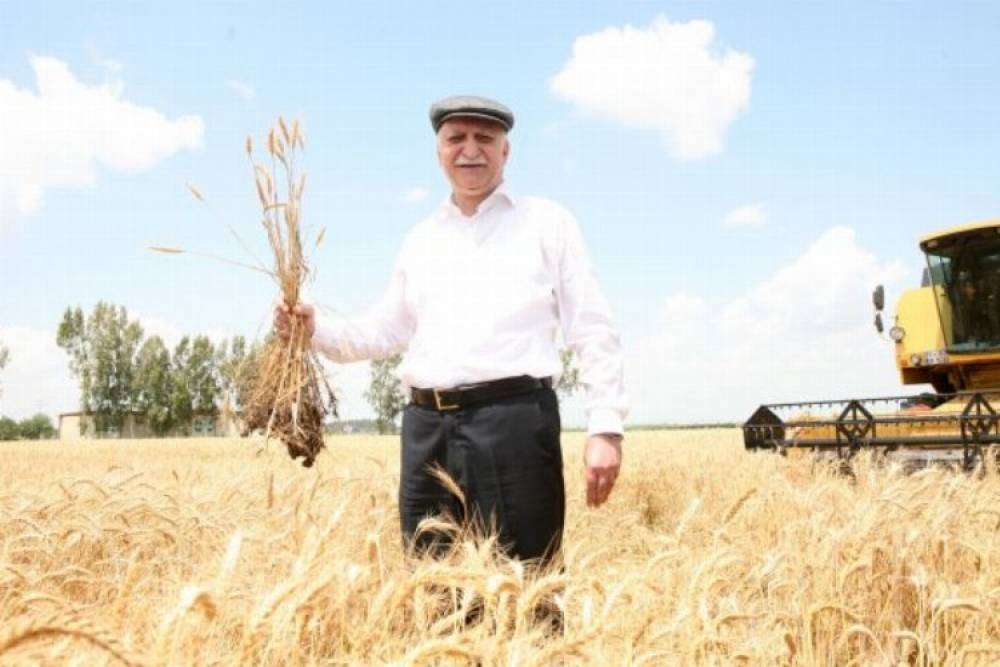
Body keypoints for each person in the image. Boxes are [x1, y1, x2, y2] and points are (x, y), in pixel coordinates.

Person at [274, 95, 627, 565]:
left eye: (485, 138)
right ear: (439, 150)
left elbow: (592, 325)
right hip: (426, 431)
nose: (470, 150)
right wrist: (314, 329)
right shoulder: (422, 238)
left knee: (526, 582)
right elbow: (386, 330)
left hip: (513, 426)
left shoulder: (548, 223)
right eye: (456, 138)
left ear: (506, 150)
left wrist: (606, 426)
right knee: (430, 586)